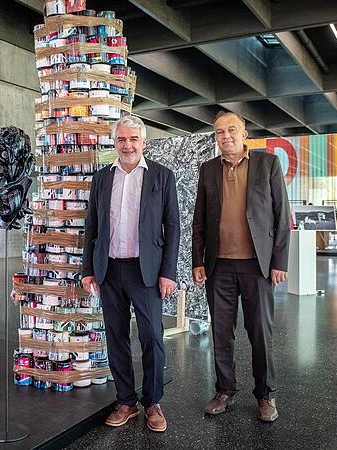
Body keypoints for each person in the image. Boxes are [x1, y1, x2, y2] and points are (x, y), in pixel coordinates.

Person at [81, 115, 179, 433]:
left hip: (145, 271)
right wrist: (87, 270)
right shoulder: (102, 178)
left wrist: (168, 272)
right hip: (109, 269)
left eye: (133, 139)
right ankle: (126, 402)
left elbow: (173, 228)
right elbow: (92, 227)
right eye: (122, 139)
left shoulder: (162, 177)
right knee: (116, 337)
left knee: (151, 337)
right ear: (115, 142)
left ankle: (152, 403)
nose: (127, 145)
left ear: (143, 143)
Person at [191, 111, 290, 422]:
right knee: (222, 332)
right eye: (219, 132)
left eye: (231, 130)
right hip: (218, 266)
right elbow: (199, 221)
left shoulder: (267, 164)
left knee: (260, 332)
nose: (226, 136)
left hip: (257, 266)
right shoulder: (207, 170)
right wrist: (197, 260)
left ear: (245, 133)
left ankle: (265, 394)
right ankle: (224, 390)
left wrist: (279, 262)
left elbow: (282, 217)